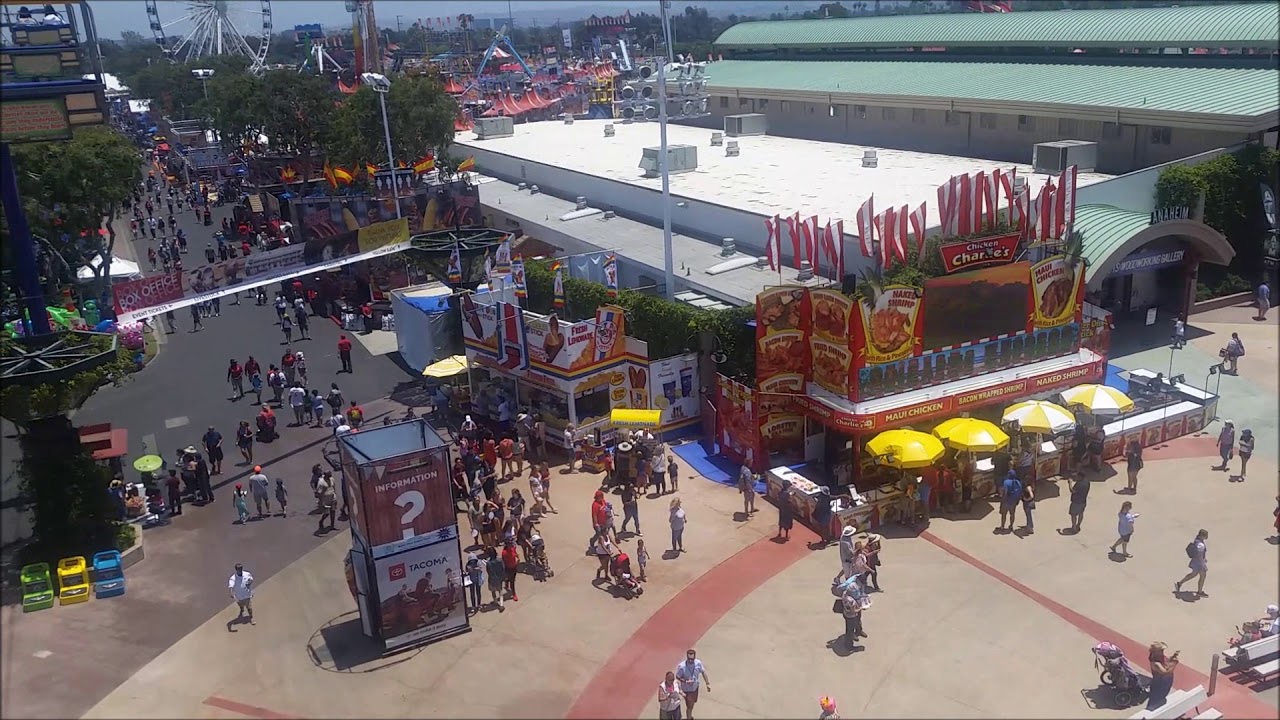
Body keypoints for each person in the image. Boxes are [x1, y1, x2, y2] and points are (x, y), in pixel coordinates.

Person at [675, 649, 710, 720]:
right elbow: (678, 677)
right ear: (687, 657)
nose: (690, 660)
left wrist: (707, 683)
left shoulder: (698, 663)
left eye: (692, 659)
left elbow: (703, 672)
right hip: (687, 690)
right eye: (689, 659)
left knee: (693, 703)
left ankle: (689, 715)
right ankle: (689, 717)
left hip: (695, 687)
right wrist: (685, 681)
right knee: (690, 705)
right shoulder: (682, 667)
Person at [1174, 529, 1210, 597]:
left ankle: (1179, 583)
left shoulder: (1197, 541)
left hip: (1196, 562)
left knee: (1194, 574)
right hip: (1199, 563)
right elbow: (1199, 553)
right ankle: (1199, 592)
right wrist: (1203, 562)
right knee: (1203, 575)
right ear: (1202, 536)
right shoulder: (1200, 544)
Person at [1146, 642, 1180, 711]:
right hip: (1159, 685)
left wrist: (1172, 659)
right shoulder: (1155, 663)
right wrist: (1174, 664)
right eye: (1161, 651)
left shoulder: (1161, 658)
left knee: (1160, 701)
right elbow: (1165, 673)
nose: (1163, 652)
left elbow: (1167, 665)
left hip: (1165, 684)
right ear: (1155, 652)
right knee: (1154, 703)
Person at [485, 547, 506, 611]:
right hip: (499, 578)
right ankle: (501, 604)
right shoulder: (500, 560)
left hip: (492, 579)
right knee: (500, 590)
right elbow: (503, 568)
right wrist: (503, 576)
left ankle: (495, 602)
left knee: (493, 591)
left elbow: (488, 572)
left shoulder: (488, 563)